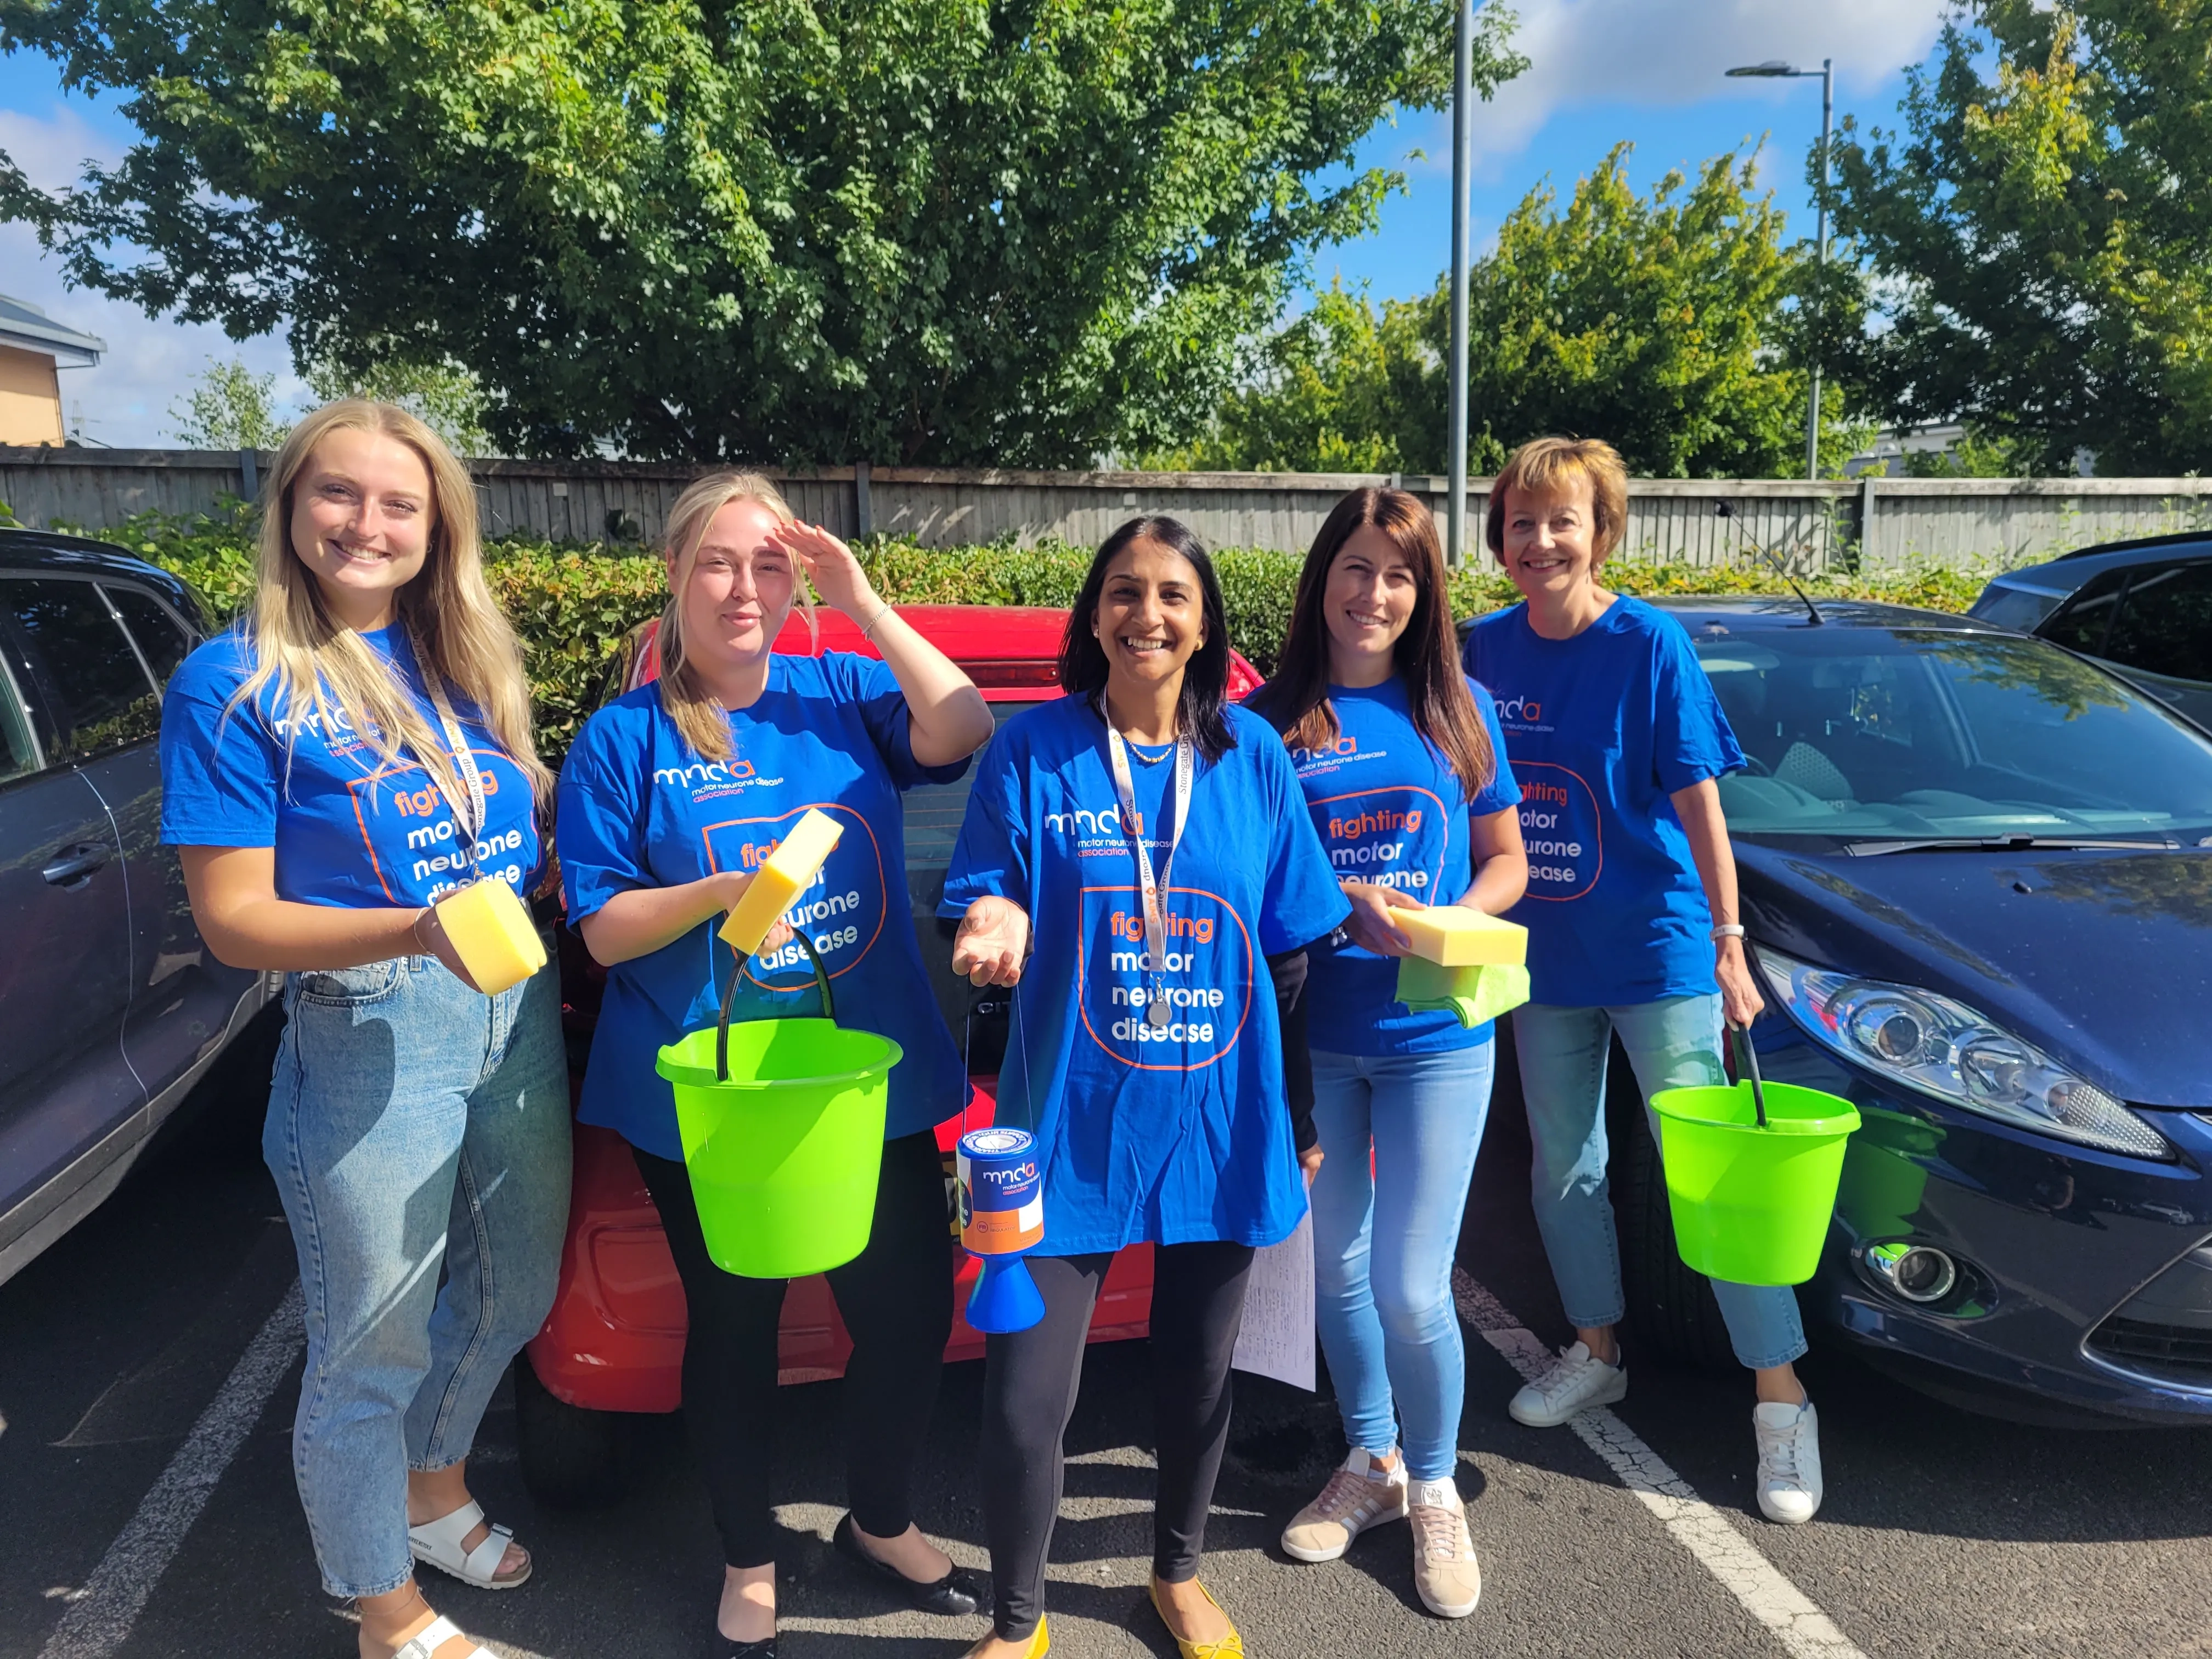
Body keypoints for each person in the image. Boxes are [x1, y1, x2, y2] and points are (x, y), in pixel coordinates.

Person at [555, 472, 996, 1657]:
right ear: (674, 575)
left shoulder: (840, 692)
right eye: (717, 561)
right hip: (715, 1095)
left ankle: (881, 1522)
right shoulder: (625, 737)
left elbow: (963, 728)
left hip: (861, 1078)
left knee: (906, 1315)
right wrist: (718, 893)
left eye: (769, 565)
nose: (744, 588)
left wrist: (861, 602)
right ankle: (749, 1557)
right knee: (735, 1323)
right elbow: (602, 931)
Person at [160, 401, 570, 1659]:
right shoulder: (235, 682)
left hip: (514, 1005)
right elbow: (234, 920)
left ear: (437, 526)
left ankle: (430, 1491)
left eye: (400, 503)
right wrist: (414, 931)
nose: (367, 524)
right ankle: (384, 1611)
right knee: (369, 1344)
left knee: (515, 1288)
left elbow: (510, 827)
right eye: (338, 493)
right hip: (376, 1021)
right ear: (289, 503)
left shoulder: (460, 657)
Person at [944, 515, 1350, 1659]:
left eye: (1173, 594)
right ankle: (1018, 1622)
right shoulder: (1034, 751)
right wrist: (994, 919)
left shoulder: (1251, 755)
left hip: (1223, 1118)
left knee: (1199, 1375)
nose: (1147, 615)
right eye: (1123, 591)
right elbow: (988, 891)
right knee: (1026, 1396)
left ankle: (1177, 1574)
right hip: (1068, 1121)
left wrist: (1299, 1117)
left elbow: (1290, 954)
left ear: (1205, 622)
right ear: (1095, 614)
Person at [1460, 437, 1823, 1524]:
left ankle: (1781, 1396)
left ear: (1601, 532)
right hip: (1542, 963)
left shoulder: (1649, 643)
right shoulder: (1481, 650)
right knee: (1562, 1169)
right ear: (1500, 540)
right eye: (1520, 524)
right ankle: (1596, 1351)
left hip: (1658, 951)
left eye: (1561, 521)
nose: (1540, 542)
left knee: (1707, 1176)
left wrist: (1729, 939)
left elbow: (1701, 803)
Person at [1248, 487, 1528, 1617]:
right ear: (1322, 579)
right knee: (1336, 1272)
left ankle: (1436, 1483)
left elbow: (1508, 862)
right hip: (1316, 1042)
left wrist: (1447, 919)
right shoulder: (1269, 724)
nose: (1375, 593)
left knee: (1414, 1286)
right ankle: (1371, 1461)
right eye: (1357, 569)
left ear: (1426, 593)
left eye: (1400, 575)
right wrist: (1334, 906)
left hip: (1437, 1037)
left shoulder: (1458, 708)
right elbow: (1248, 884)